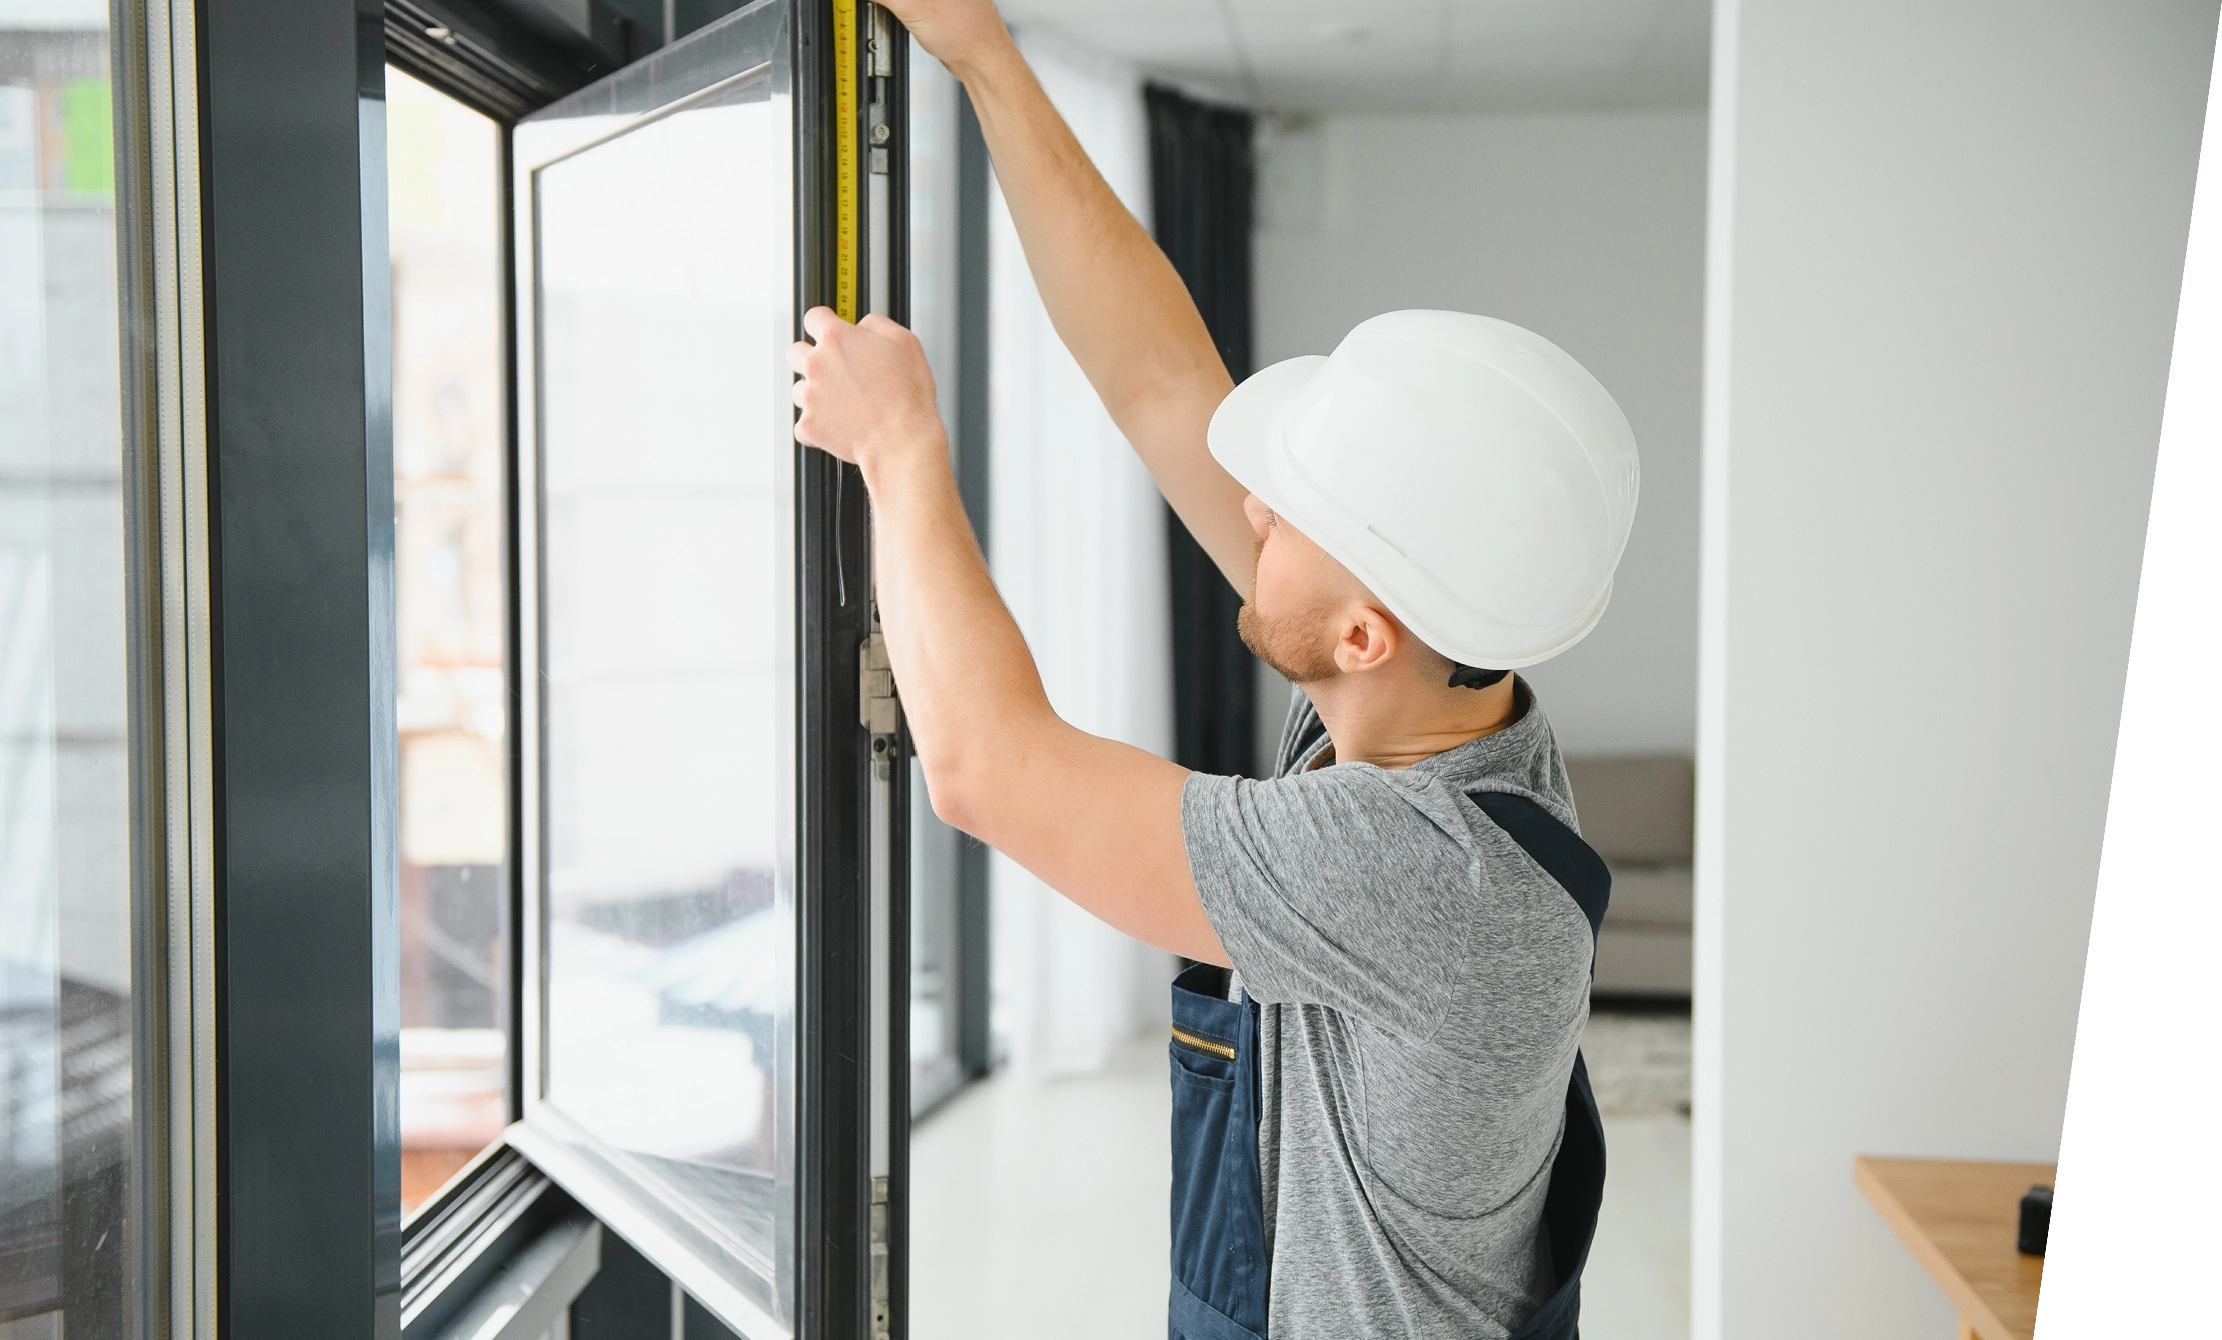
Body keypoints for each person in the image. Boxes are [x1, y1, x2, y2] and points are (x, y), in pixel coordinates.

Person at [790, 4, 1640, 1335]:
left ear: (1364, 635)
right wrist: (984, 58)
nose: (1248, 512)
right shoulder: (1451, 705)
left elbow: (987, 770)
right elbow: (1159, 386)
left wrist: (899, 451)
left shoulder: (1410, 863)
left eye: (1287, 515)